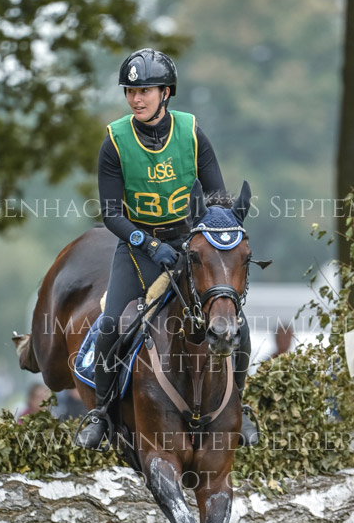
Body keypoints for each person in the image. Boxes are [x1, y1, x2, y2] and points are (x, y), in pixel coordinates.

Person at [76, 47, 257, 449]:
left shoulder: (191, 133)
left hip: (190, 245)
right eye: (130, 91)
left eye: (145, 90)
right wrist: (149, 243)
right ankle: (101, 413)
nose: (135, 99)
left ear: (166, 92)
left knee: (236, 323)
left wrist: (219, 232)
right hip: (138, 246)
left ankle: (240, 407)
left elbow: (217, 198)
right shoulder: (115, 142)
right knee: (111, 324)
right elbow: (111, 214)